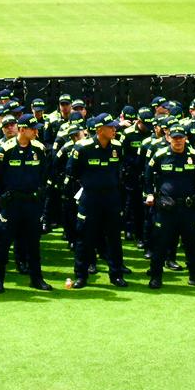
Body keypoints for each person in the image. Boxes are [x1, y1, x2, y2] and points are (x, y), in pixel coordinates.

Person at [0, 115, 53, 293]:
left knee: (33, 243)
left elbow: (44, 173)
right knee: (3, 243)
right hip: (12, 203)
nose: (36, 131)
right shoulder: (6, 149)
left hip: (32, 203)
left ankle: (36, 278)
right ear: (22, 130)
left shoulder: (39, 148)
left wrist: (40, 192)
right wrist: (7, 194)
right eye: (33, 129)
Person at [143, 125, 195, 290]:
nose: (178, 141)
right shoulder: (160, 155)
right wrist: (149, 194)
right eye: (175, 137)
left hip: (188, 208)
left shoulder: (194, 155)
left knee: (192, 244)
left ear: (186, 138)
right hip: (166, 208)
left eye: (181, 137)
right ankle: (156, 277)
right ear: (168, 138)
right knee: (160, 243)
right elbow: (147, 175)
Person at [67, 115, 129, 289]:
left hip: (112, 198)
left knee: (114, 238)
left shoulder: (117, 146)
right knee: (85, 238)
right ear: (100, 129)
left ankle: (116, 274)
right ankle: (81, 275)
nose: (114, 129)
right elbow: (72, 171)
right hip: (90, 198)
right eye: (111, 127)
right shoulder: (83, 147)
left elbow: (119, 170)